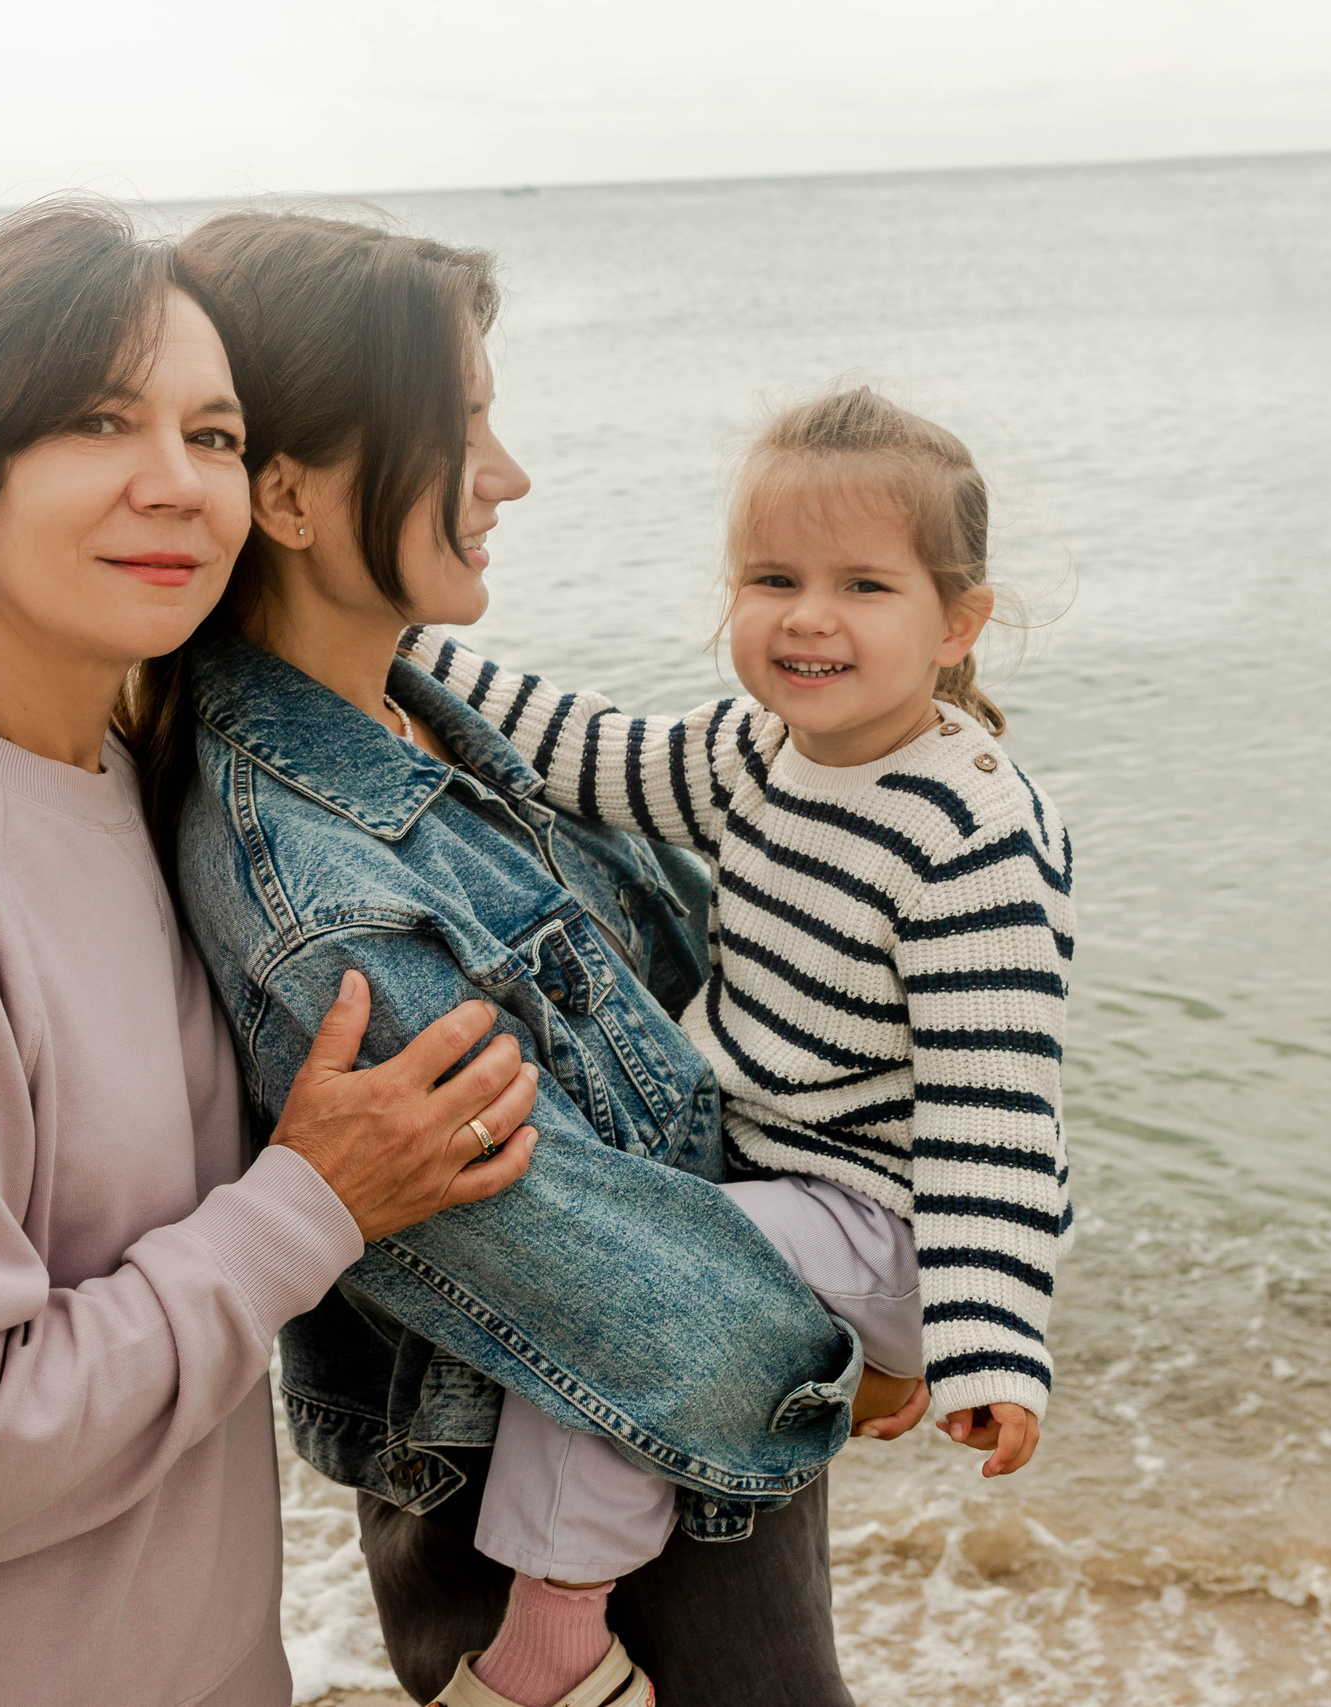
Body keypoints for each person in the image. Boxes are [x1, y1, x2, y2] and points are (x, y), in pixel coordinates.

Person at [0, 198, 546, 1707]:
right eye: (97, 420)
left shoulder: (141, 792)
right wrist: (310, 1204)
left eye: (215, 436)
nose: (179, 485)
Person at [153, 209, 904, 1707]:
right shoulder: (321, 892)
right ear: (289, 497)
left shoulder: (422, 715)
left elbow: (692, 973)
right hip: (570, 1546)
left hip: (677, 1459)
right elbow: (586, 1271)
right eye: (466, 428)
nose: (509, 474)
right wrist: (880, 1334)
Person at [402, 385, 1076, 1705]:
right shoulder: (761, 751)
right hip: (773, 1179)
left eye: (864, 585)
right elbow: (585, 752)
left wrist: (982, 1341)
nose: (807, 615)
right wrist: (397, 649)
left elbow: (994, 1116)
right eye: (772, 577)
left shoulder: (971, 837)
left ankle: (559, 1635)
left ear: (958, 625)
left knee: (603, 1292)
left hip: (888, 1215)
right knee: (611, 1265)